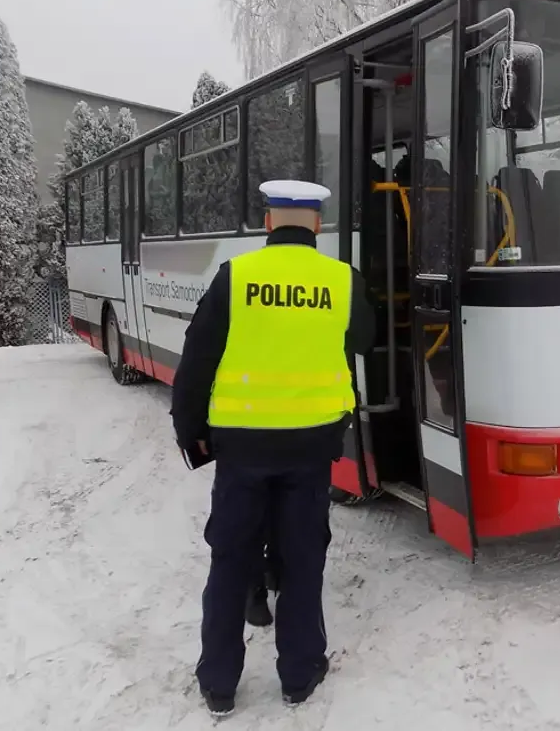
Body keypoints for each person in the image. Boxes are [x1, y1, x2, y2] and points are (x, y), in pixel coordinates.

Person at [171, 179, 374, 716]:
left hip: (241, 448)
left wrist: (189, 428)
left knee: (230, 559)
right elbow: (365, 339)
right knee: (304, 559)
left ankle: (218, 683)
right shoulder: (340, 280)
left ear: (268, 223)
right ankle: (300, 675)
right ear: (316, 225)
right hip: (310, 448)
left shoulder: (235, 277)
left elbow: (197, 359)